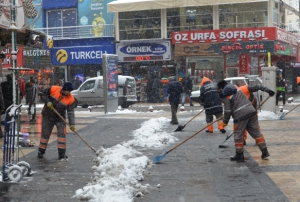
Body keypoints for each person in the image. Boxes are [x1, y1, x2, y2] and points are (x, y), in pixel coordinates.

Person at [218, 82, 270, 162]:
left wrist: (225, 122)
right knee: (256, 133)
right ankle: (264, 151)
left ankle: (239, 155)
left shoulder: (226, 95)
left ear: (221, 89)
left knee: (238, 135)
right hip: (251, 111)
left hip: (240, 115)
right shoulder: (237, 89)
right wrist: (267, 90)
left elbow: (228, 111)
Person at [218, 80, 275, 145]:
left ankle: (259, 141)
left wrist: (268, 90)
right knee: (243, 125)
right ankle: (243, 140)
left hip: (252, 107)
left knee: (254, 126)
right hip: (244, 110)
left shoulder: (244, 89)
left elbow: (257, 86)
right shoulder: (231, 96)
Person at [37, 81, 77, 160]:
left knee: (62, 136)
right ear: (64, 89)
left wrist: (72, 124)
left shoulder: (71, 99)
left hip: (60, 118)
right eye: (68, 91)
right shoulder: (53, 89)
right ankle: (41, 152)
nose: (69, 93)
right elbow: (41, 93)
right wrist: (47, 102)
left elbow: (70, 112)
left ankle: (61, 155)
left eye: (70, 91)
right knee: (45, 135)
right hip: (47, 116)